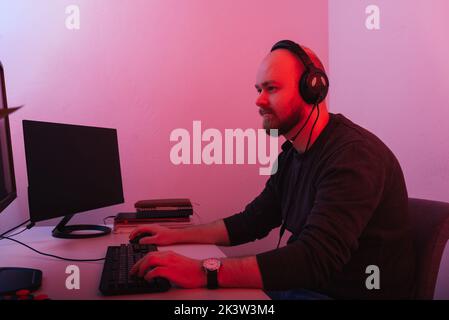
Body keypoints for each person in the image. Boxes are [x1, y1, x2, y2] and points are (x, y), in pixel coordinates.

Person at [130, 40, 416, 299]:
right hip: (306, 288)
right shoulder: (293, 154)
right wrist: (172, 235)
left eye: (272, 88)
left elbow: (314, 259)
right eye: (258, 90)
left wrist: (203, 270)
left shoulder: (353, 156)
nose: (258, 100)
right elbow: (251, 221)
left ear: (313, 88)